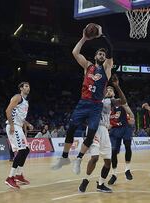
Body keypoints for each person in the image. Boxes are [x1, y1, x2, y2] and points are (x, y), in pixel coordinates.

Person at [51, 24, 113, 170]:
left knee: (91, 132)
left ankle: (79, 158)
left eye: (104, 55)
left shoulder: (107, 68)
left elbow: (111, 49)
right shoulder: (88, 66)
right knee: (71, 128)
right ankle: (64, 158)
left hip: (96, 105)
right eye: (99, 54)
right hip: (83, 102)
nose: (102, 55)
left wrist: (102, 35)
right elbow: (75, 52)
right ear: (95, 56)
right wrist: (85, 38)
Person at [78, 75, 127, 193]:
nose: (109, 90)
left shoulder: (110, 101)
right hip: (94, 129)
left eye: (111, 90)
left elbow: (124, 101)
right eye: (108, 89)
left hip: (104, 130)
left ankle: (100, 184)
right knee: (94, 157)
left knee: (108, 161)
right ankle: (85, 180)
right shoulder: (94, 98)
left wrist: (117, 86)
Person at [4, 82, 34, 189]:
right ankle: (10, 177)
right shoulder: (18, 97)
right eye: (25, 86)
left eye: (28, 86)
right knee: (22, 150)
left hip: (18, 126)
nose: (28, 88)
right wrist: (12, 125)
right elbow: (8, 110)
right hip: (14, 126)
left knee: (26, 150)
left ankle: (19, 175)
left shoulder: (26, 102)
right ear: (21, 88)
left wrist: (27, 124)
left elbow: (20, 117)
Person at [107, 103, 135, 185]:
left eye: (111, 90)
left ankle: (127, 170)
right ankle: (114, 174)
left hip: (126, 128)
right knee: (114, 152)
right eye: (107, 90)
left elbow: (132, 117)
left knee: (127, 146)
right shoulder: (108, 108)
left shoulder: (124, 105)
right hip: (115, 130)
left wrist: (131, 119)